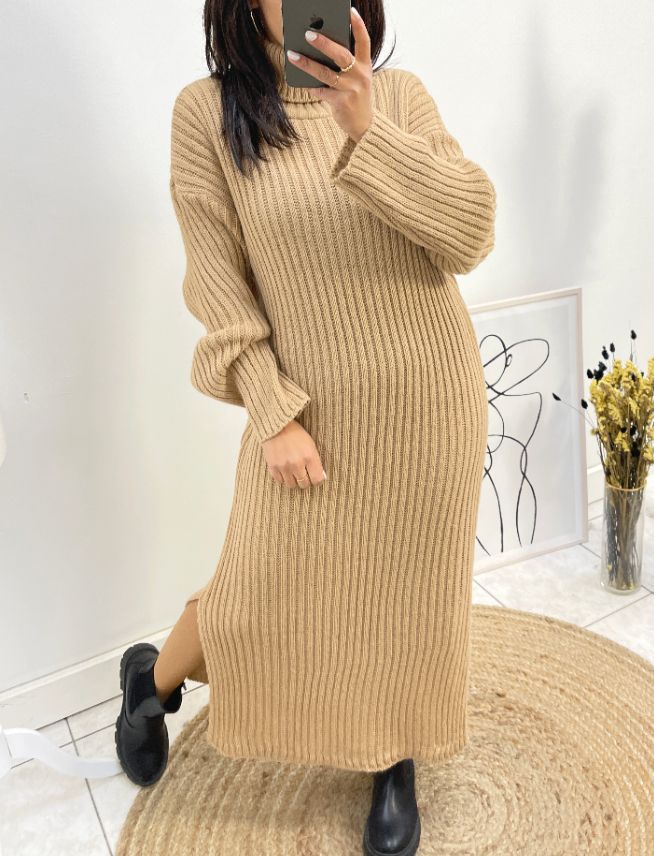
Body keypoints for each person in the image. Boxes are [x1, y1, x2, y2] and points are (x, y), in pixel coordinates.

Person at [115, 1, 495, 854]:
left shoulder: (397, 95)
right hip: (309, 415)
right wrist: (272, 410)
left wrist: (367, 129)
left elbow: (470, 235)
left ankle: (392, 757)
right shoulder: (206, 116)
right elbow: (218, 287)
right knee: (251, 595)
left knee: (408, 595)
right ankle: (151, 681)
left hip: (431, 402)